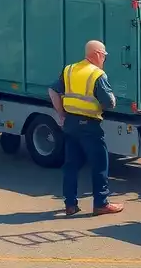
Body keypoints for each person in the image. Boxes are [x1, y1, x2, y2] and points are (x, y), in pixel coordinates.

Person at [48, 39, 124, 216]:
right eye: (104, 55)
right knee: (99, 164)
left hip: (71, 124)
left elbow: (52, 91)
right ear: (97, 54)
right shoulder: (97, 75)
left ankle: (70, 205)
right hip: (89, 125)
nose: (104, 59)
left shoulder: (69, 70)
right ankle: (101, 204)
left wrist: (61, 114)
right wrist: (112, 100)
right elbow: (109, 103)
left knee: (71, 165)